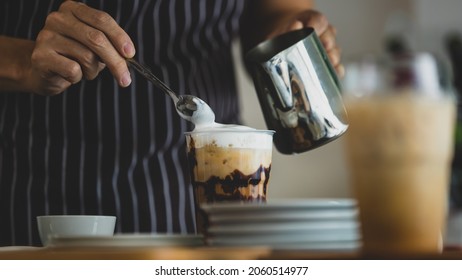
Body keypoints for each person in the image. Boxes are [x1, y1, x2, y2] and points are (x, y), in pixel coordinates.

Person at [0, 0, 343, 246]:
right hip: (40, 181)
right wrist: (20, 61)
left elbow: (272, 10)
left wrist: (286, 32)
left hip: (202, 192)